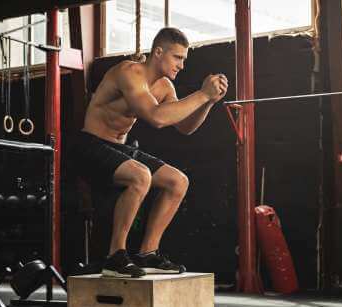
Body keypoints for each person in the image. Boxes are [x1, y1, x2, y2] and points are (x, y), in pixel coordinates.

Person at [72, 27, 228, 278]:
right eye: (177, 57)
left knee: (177, 182)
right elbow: (156, 118)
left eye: (184, 59)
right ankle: (115, 257)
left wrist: (208, 102)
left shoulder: (164, 86)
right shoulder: (129, 72)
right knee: (141, 176)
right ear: (158, 52)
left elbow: (185, 126)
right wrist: (201, 94)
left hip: (119, 149)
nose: (182, 65)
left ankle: (147, 254)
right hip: (90, 146)